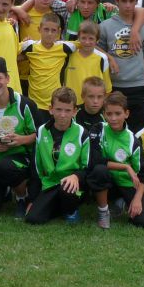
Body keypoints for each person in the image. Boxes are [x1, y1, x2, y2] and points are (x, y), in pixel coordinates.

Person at [0, 57, 39, 217]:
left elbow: (41, 134)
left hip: (20, 158)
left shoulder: (24, 104)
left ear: (7, 78)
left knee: (7, 166)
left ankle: (21, 197)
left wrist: (21, 140)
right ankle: (5, 189)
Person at [86, 91, 144, 229]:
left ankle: (123, 201)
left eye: (118, 113)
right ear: (104, 114)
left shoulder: (133, 140)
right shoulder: (98, 129)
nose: (113, 118)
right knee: (100, 170)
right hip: (106, 182)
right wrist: (125, 167)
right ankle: (104, 211)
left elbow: (143, 174)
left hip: (126, 183)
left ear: (126, 114)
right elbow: (94, 160)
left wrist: (137, 199)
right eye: (109, 114)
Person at [26, 87, 91, 225]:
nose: (63, 115)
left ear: (75, 111)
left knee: (67, 188)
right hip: (49, 183)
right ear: (51, 109)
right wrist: (33, 199)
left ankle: (71, 210)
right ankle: (57, 207)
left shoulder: (82, 133)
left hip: (72, 185)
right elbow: (36, 168)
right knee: (33, 219)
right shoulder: (41, 131)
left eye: (67, 110)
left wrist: (76, 176)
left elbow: (88, 167)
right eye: (59, 109)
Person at [99, 0, 144, 134]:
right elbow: (97, 49)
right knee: (113, 129)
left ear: (136, 1)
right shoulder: (105, 26)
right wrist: (109, 57)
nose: (128, 5)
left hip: (137, 86)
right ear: (117, 1)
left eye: (132, 1)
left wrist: (143, 78)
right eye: (124, 1)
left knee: (136, 131)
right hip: (114, 86)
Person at [19, 12, 74, 114]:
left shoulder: (64, 47)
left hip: (55, 104)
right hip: (34, 102)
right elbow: (11, 53)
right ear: (39, 29)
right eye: (46, 29)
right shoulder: (29, 46)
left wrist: (109, 58)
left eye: (53, 30)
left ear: (59, 32)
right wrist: (22, 57)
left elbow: (87, 43)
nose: (49, 34)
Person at [64, 21, 113, 100]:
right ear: (78, 38)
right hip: (71, 105)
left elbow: (107, 89)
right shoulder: (69, 55)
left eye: (91, 38)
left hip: (92, 107)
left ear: (97, 40)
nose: (87, 42)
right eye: (83, 38)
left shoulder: (102, 58)